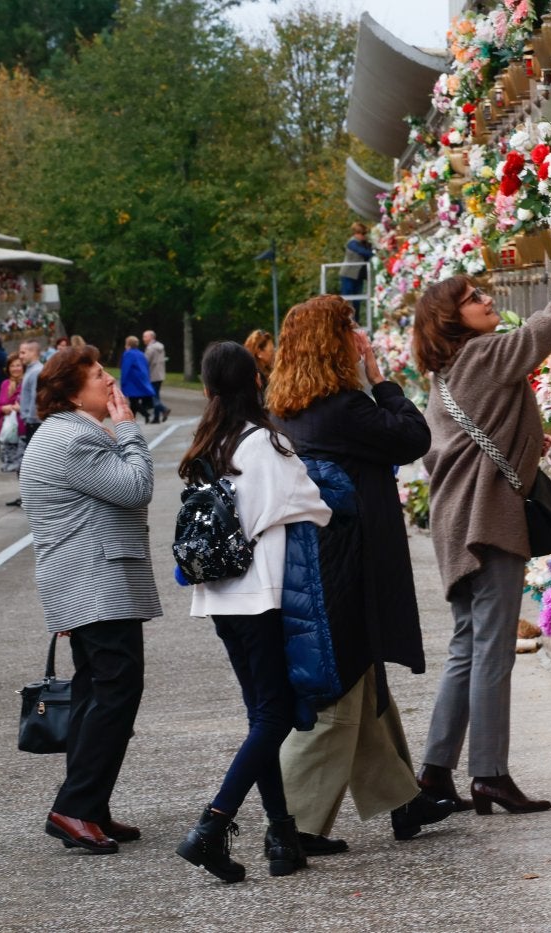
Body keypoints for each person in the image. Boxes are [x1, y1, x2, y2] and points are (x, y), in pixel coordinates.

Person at [412, 246, 551, 815]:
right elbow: (541, 333)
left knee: (467, 647)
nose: (486, 300)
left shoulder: (450, 371)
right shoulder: (481, 356)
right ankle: (490, 775)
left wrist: (524, 445)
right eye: (473, 299)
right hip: (487, 521)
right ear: (454, 320)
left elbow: (449, 449)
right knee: (492, 648)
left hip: (461, 520)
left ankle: (434, 771)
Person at [268, 294, 453, 853]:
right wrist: (381, 379)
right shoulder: (343, 408)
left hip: (313, 561)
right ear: (333, 341)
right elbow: (413, 436)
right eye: (350, 328)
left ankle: (404, 800)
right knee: (339, 694)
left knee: (363, 682)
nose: (359, 336)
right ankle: (291, 826)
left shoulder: (286, 405)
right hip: (344, 565)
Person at [178, 341, 332, 883]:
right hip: (261, 593)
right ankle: (212, 825)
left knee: (260, 714)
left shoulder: (209, 442)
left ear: (207, 390)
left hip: (220, 596)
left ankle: (282, 834)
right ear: (256, 383)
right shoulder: (264, 443)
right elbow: (315, 505)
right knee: (277, 714)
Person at [19, 346, 161, 855]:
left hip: (90, 579)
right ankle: (74, 807)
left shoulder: (66, 433)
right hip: (95, 581)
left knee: (94, 694)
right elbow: (136, 488)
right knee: (115, 692)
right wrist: (128, 429)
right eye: (99, 375)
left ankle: (90, 806)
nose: (110, 381)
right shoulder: (74, 436)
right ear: (71, 392)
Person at [8, 341, 42, 506]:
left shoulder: (36, 371)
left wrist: (31, 418)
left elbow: (37, 397)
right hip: (30, 420)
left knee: (33, 461)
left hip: (33, 422)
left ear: (32, 352)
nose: (20, 356)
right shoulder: (31, 371)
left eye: (23, 353)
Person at [0, 357, 26, 475]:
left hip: (23, 429)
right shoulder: (5, 384)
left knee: (24, 467)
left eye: (18, 365)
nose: (15, 369)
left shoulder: (27, 383)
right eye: (12, 366)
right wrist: (4, 409)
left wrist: (21, 409)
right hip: (8, 430)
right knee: (13, 467)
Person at [338, 222, 373, 317]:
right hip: (348, 275)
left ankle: (356, 321)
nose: (364, 236)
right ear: (356, 233)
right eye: (363, 234)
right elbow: (365, 253)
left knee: (357, 300)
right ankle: (345, 320)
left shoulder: (362, 243)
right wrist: (373, 251)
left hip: (358, 275)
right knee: (347, 300)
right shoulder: (352, 243)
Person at [119, 336, 155, 423]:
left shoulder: (128, 354)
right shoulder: (141, 354)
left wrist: (123, 382)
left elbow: (125, 368)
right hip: (141, 380)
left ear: (127, 344)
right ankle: (133, 419)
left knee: (133, 401)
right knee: (134, 401)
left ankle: (145, 414)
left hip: (132, 381)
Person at [142, 330, 170, 424]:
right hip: (160, 375)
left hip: (152, 375)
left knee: (153, 397)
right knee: (156, 396)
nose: (143, 339)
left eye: (145, 337)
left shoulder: (150, 348)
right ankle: (156, 418)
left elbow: (145, 362)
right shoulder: (160, 346)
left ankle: (164, 409)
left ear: (151, 337)